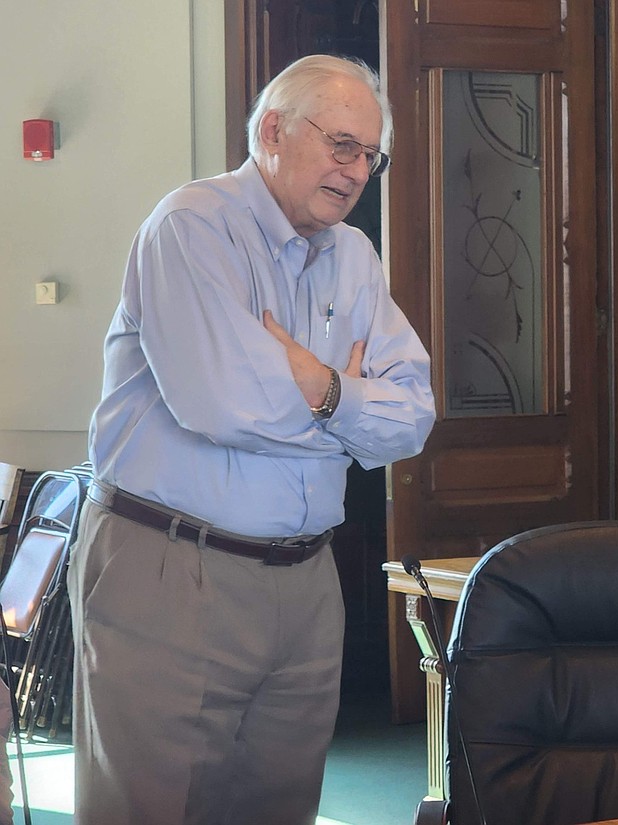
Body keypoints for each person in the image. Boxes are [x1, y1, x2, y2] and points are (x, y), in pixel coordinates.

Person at [68, 54, 435, 825]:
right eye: (341, 144)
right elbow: (221, 402)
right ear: (272, 130)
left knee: (280, 809)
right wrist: (348, 421)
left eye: (371, 154)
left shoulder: (355, 257)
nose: (357, 170)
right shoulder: (193, 227)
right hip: (171, 567)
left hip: (306, 582)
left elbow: (413, 418)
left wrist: (326, 387)